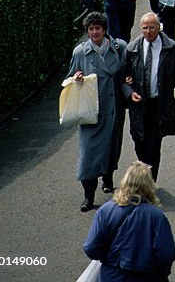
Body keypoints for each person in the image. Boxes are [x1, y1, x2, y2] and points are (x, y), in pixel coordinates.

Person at [67, 11, 127, 212]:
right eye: (91, 29)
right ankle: (88, 195)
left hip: (113, 109)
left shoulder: (118, 48)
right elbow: (67, 81)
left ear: (104, 30)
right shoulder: (80, 53)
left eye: (98, 28)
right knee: (89, 155)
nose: (95, 32)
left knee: (111, 148)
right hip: (90, 112)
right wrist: (75, 78)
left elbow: (125, 75)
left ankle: (108, 177)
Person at [123, 13, 175, 183]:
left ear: (158, 27)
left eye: (152, 27)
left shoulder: (171, 48)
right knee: (139, 141)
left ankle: (149, 183)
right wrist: (130, 92)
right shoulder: (132, 49)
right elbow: (122, 77)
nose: (148, 31)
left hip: (159, 105)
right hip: (139, 106)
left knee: (154, 145)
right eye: (145, 28)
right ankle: (145, 175)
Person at [83, 161, 175, 280]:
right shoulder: (156, 216)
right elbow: (167, 254)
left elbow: (91, 247)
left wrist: (108, 258)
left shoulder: (105, 211)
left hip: (112, 275)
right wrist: (160, 274)